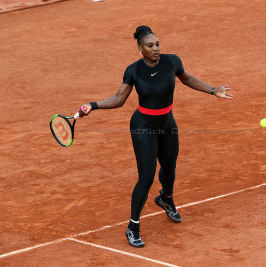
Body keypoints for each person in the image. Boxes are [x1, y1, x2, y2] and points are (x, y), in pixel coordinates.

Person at [78, 25, 233, 247]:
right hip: (143, 126)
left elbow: (187, 79)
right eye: (150, 45)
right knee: (147, 176)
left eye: (158, 44)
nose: (156, 48)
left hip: (167, 122)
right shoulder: (133, 70)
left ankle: (165, 199)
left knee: (169, 166)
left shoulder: (172, 61)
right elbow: (119, 98)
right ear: (140, 48)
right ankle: (133, 226)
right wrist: (93, 105)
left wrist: (212, 89)